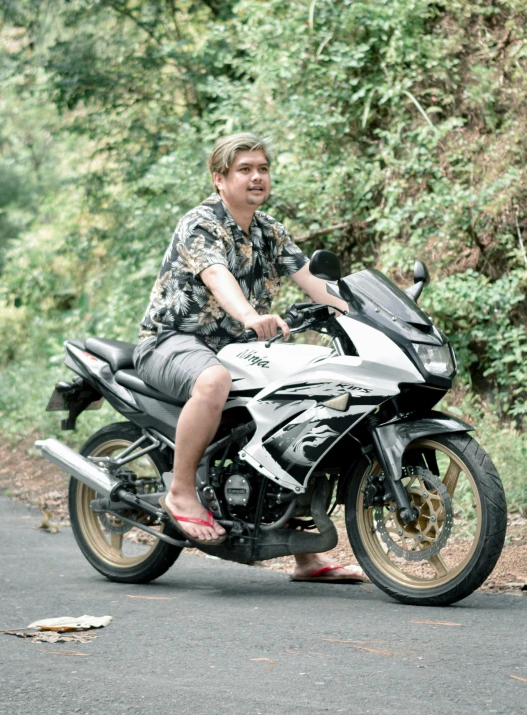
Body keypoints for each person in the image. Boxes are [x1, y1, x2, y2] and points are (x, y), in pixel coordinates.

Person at [134, 132, 367, 583]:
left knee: (309, 401)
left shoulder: (269, 231)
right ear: (219, 179)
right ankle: (181, 492)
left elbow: (318, 287)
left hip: (238, 349)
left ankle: (305, 550)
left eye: (262, 168)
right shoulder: (200, 224)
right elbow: (218, 278)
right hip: (172, 341)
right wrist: (250, 315)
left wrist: (368, 316)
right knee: (213, 381)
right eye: (244, 170)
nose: (256, 177)